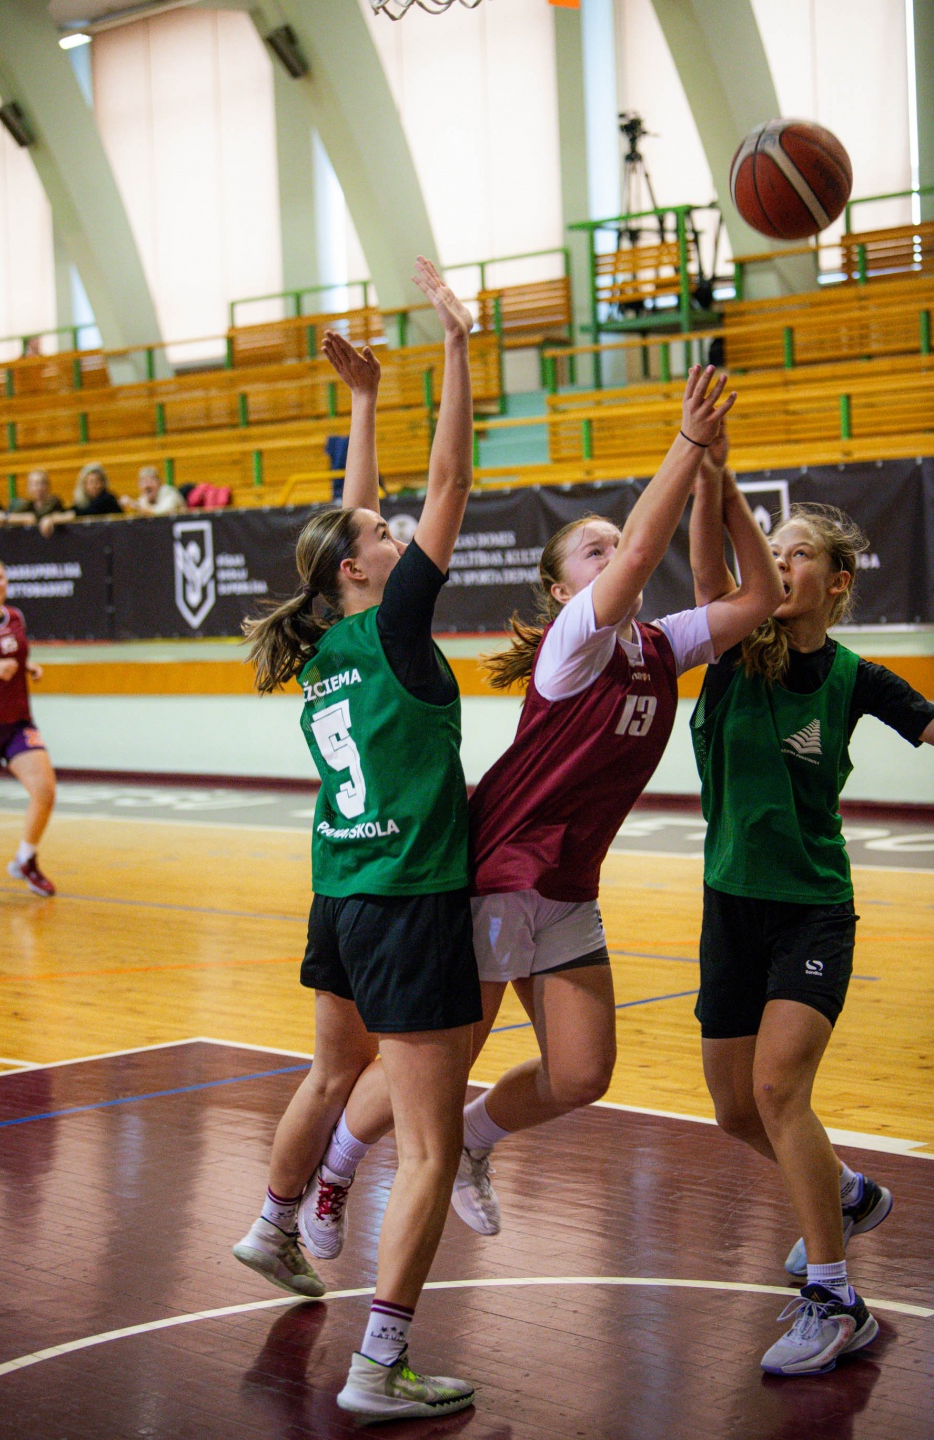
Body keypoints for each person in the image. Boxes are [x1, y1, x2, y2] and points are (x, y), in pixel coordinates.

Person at [279, 381, 781, 1250]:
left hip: (568, 882)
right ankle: (336, 1173)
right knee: (436, 1064)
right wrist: (687, 444)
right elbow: (641, 559)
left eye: (614, 542)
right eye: (594, 550)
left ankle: (474, 1142)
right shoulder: (574, 641)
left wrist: (721, 485)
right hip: (500, 871)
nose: (614, 553)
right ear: (560, 589)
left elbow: (760, 600)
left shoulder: (659, 645)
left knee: (582, 1074)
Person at [233, 259, 481, 1424]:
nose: (398, 532)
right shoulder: (395, 629)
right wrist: (458, 344)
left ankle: (273, 1224)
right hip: (409, 894)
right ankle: (381, 1366)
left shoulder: (327, 646)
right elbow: (452, 479)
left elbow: (357, 521)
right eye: (385, 536)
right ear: (361, 572)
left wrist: (365, 401)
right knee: (429, 1146)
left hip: (340, 890)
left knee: (333, 1072)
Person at [687, 471, 934, 1377]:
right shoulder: (729, 649)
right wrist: (710, 472)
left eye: (799, 554)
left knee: (779, 1090)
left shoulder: (855, 677)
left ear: (836, 582)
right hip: (729, 906)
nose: (779, 562)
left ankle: (835, 1301)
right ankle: (849, 1193)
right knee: (733, 1109)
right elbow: (708, 565)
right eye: (773, 549)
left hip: (813, 911)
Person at [0, 557, 57, 898]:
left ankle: (25, 859)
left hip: (17, 723)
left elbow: (14, 655)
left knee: (45, 790)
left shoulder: (16, 617)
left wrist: (28, 667)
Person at [38, 463, 123, 537]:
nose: (95, 486)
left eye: (98, 481)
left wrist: (57, 518)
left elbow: (84, 513)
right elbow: (73, 509)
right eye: (91, 482)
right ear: (84, 485)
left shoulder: (108, 498)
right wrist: (54, 517)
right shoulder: (84, 502)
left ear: (103, 483)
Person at [120, 465, 186, 517]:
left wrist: (134, 504)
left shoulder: (170, 493)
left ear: (160, 483)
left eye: (151, 481)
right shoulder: (143, 499)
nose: (147, 485)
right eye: (143, 482)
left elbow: (160, 513)